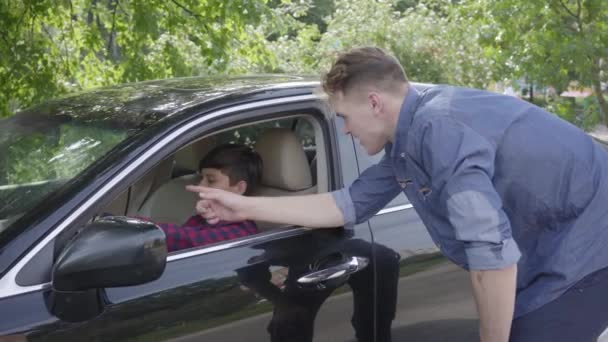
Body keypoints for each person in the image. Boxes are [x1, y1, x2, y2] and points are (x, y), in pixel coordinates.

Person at [186, 47, 608, 342]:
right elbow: (344, 204)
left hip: (587, 247)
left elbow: (491, 261)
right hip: (549, 242)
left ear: (374, 102)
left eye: (345, 118)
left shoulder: (440, 133)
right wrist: (240, 204)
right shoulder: (408, 141)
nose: (346, 130)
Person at [139, 143, 262, 252]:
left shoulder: (240, 232)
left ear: (239, 188)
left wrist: (139, 228)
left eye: (211, 180)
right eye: (201, 178)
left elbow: (186, 240)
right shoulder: (203, 218)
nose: (200, 185)